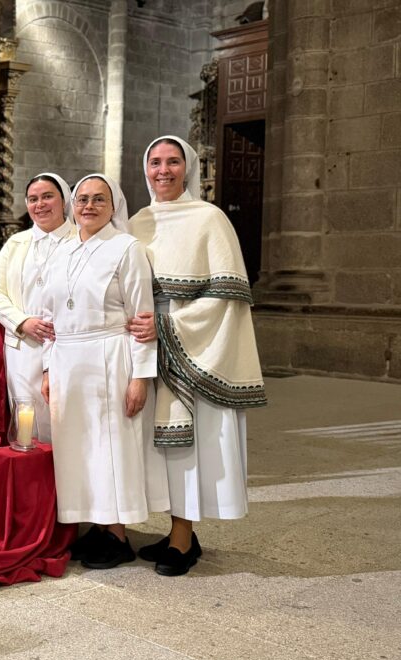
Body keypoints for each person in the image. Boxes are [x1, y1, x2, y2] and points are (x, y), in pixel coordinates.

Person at [126, 135, 266, 576]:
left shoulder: (211, 219)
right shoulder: (137, 221)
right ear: (144, 168)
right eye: (154, 162)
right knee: (156, 449)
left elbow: (227, 298)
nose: (162, 170)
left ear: (186, 168)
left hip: (191, 345)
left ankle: (183, 540)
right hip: (145, 347)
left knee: (186, 447)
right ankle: (175, 530)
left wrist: (169, 326)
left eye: (171, 162)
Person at [40, 173, 169, 569]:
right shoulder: (60, 250)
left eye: (99, 199)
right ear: (72, 205)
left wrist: (140, 377)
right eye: (82, 199)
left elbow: (141, 314)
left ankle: (117, 533)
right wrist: (47, 368)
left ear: (114, 207)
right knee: (78, 449)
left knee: (110, 447)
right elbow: (49, 314)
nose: (89, 206)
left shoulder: (127, 248)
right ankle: (94, 525)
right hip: (67, 360)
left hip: (111, 356)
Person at [0, 172, 75, 443]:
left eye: (48, 196)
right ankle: (32, 483)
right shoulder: (16, 243)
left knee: (64, 419)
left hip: (65, 345)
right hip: (22, 348)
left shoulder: (79, 240)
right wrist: (23, 321)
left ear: (64, 200)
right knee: (27, 423)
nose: (40, 204)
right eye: (33, 199)